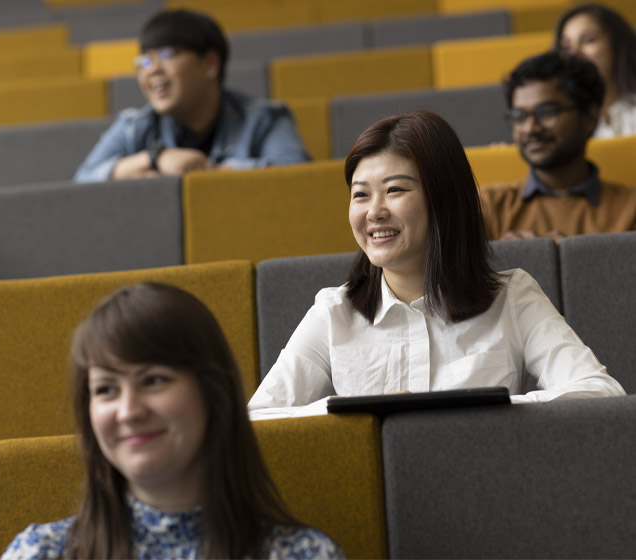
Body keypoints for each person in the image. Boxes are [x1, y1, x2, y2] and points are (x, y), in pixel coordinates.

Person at [248, 110, 625, 420]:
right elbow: (258, 420)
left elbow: (600, 393)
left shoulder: (512, 296)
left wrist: (479, 409)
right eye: (360, 195)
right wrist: (352, 414)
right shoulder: (334, 312)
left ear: (443, 200)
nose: (374, 212)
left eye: (395, 190)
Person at [1, 283, 342, 559]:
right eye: (106, 389)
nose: (128, 411)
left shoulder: (302, 554)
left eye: (153, 381)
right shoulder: (40, 552)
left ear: (213, 394)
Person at [74, 9, 310, 183]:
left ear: (210, 63)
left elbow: (298, 175)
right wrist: (155, 159)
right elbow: (82, 182)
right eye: (145, 61)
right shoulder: (133, 126)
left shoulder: (265, 118)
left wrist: (205, 171)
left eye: (166, 55)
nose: (152, 70)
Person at [480, 51, 636, 241]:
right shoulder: (488, 207)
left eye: (546, 113)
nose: (530, 128)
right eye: (519, 117)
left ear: (590, 117)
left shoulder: (630, 210)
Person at [554, 3, 636, 138]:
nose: (574, 53)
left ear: (616, 45)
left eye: (588, 40)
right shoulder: (557, 123)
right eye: (566, 46)